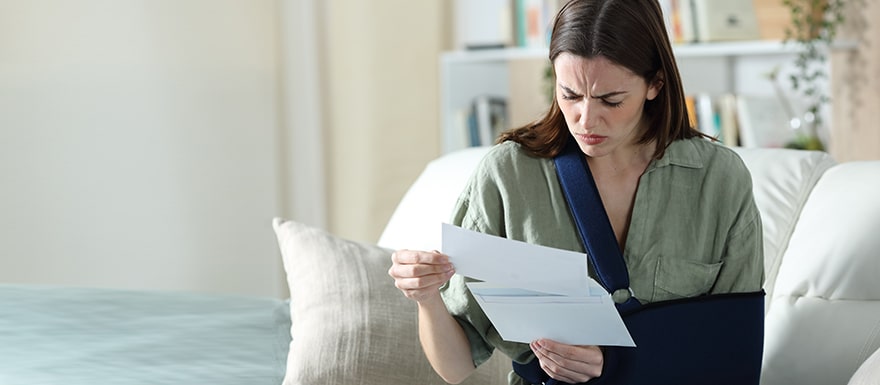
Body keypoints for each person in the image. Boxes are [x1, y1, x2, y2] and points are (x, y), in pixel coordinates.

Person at [388, 0, 764, 384]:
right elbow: (455, 367)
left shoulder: (719, 179)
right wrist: (428, 298)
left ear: (655, 84)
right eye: (569, 94)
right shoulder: (508, 175)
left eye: (610, 100)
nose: (585, 120)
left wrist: (618, 364)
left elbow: (736, 361)